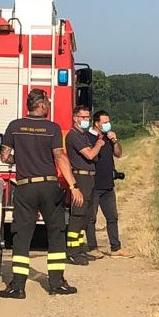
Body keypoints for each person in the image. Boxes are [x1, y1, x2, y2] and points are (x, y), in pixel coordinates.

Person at [0, 90, 82, 298]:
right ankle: (56, 283)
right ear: (42, 105)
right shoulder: (52, 128)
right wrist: (73, 185)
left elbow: (5, 156)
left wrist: (22, 159)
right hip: (49, 186)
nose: (50, 106)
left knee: (21, 235)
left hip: (25, 187)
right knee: (56, 232)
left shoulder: (14, 126)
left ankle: (17, 286)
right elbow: (59, 158)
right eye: (48, 103)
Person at [88, 110, 128, 256]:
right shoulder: (87, 137)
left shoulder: (108, 138)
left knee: (112, 217)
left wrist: (114, 141)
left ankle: (116, 248)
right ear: (97, 123)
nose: (107, 125)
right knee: (91, 218)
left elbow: (118, 154)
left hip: (108, 184)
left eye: (108, 122)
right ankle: (92, 248)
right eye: (104, 122)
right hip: (93, 184)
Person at [66, 107, 102, 264]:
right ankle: (72, 250)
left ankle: (80, 248)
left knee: (86, 216)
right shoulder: (74, 136)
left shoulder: (83, 136)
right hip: (80, 177)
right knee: (78, 215)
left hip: (90, 178)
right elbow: (90, 154)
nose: (86, 120)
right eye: (84, 117)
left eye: (88, 117)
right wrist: (99, 144)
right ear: (75, 118)